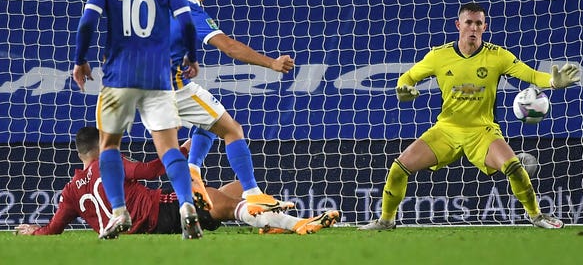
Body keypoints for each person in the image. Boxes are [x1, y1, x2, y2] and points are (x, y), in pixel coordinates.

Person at [359, 2, 580, 230]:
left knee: (514, 168)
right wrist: (403, 91)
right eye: (468, 23)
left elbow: (531, 75)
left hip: (482, 132)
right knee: (399, 168)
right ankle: (386, 220)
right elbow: (407, 78)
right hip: (446, 130)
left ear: (485, 27)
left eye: (478, 24)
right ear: (458, 25)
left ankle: (536, 216)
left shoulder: (498, 56)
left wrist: (553, 82)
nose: (473, 28)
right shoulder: (439, 55)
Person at [71, 0, 202, 240]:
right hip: (158, 74)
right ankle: (187, 204)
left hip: (118, 74)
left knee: (109, 144)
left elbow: (86, 24)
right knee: (168, 148)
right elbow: (186, 24)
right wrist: (191, 57)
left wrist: (80, 60)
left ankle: (119, 211)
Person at [14, 127, 341, 236]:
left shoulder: (70, 191)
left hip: (145, 222)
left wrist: (34, 230)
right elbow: (149, 172)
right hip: (159, 214)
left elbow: (53, 228)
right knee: (212, 197)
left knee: (236, 189)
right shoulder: (107, 162)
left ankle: (266, 222)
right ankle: (295, 223)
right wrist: (179, 151)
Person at [171, 0, 295, 214]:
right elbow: (228, 46)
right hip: (170, 85)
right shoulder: (191, 11)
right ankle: (252, 195)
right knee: (232, 130)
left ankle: (193, 169)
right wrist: (272, 63)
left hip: (134, 83)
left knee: (208, 118)